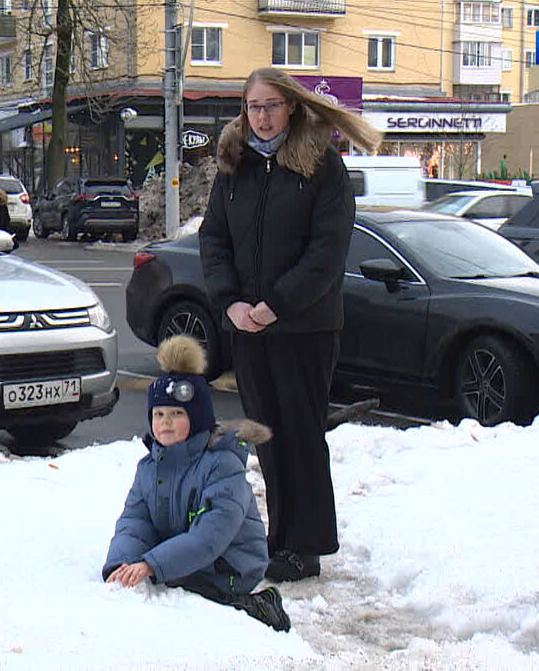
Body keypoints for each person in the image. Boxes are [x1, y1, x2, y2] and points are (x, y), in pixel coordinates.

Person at [199, 67, 382, 582]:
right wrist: (231, 303)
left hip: (304, 326)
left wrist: (275, 304)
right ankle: (279, 537)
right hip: (248, 327)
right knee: (268, 435)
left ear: (292, 108)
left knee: (301, 434)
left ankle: (306, 545)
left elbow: (327, 254)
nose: (261, 117)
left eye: (272, 106)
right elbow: (213, 241)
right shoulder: (234, 165)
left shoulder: (320, 164)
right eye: (253, 107)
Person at [102, 335, 291, 632]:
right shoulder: (150, 468)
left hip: (228, 568)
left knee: (198, 605)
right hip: (186, 559)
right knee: (171, 584)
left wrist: (152, 564)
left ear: (199, 418)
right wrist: (121, 563)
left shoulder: (222, 465)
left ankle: (260, 606)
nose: (165, 422)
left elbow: (209, 538)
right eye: (159, 414)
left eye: (177, 414)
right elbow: (134, 521)